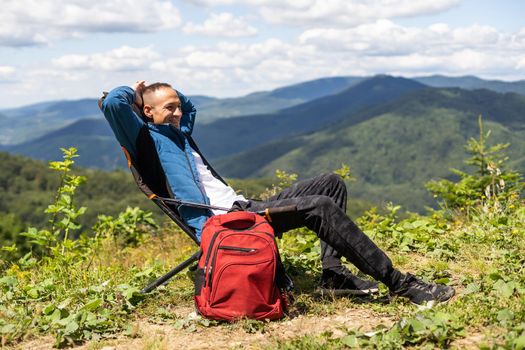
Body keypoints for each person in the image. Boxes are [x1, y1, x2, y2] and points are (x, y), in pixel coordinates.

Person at [101, 81, 455, 305]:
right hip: (225, 226)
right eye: (169, 107)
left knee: (330, 182)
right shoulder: (145, 139)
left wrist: (170, 95)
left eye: (177, 105)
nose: (179, 112)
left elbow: (191, 108)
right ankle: (401, 284)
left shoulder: (179, 129)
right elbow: (113, 105)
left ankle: (333, 275)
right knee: (319, 206)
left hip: (246, 208)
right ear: (147, 112)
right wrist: (135, 93)